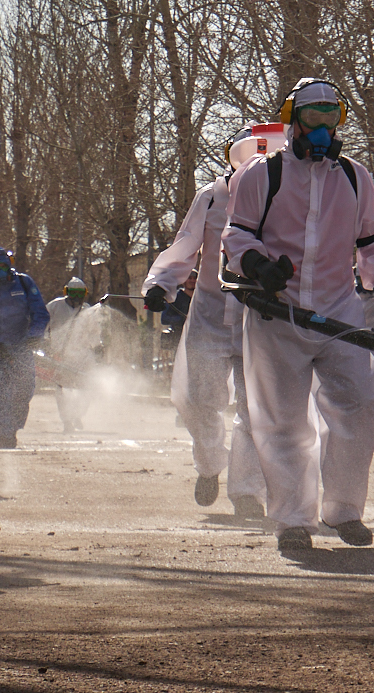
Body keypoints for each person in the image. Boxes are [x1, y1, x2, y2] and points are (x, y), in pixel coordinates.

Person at [222, 78, 374, 552]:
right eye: (314, 116)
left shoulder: (355, 177)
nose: (323, 127)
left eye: (332, 116)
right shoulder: (261, 175)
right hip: (277, 319)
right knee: (282, 421)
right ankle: (291, 520)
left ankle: (344, 511)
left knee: (359, 407)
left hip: (340, 313)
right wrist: (260, 265)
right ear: (293, 121)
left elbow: (373, 244)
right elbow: (236, 238)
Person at [142, 126, 271, 519]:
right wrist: (160, 283)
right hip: (210, 314)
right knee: (195, 400)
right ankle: (211, 463)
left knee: (256, 409)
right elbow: (184, 246)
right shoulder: (212, 197)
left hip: (260, 319)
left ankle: (247, 491)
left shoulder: (283, 198)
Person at [0, 247, 50, 449]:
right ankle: (1, 435)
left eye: (4, 266)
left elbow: (40, 312)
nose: (0, 271)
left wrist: (33, 337)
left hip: (21, 345)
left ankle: (12, 427)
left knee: (24, 390)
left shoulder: (24, 283)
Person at [45, 276, 94, 433]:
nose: (77, 297)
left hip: (82, 356)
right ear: (67, 292)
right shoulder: (54, 306)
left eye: (80, 294)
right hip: (60, 356)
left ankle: (77, 414)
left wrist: (97, 348)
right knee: (62, 391)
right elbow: (42, 325)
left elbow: (94, 332)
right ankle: (66, 420)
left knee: (86, 389)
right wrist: (45, 343)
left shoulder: (88, 310)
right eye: (73, 293)